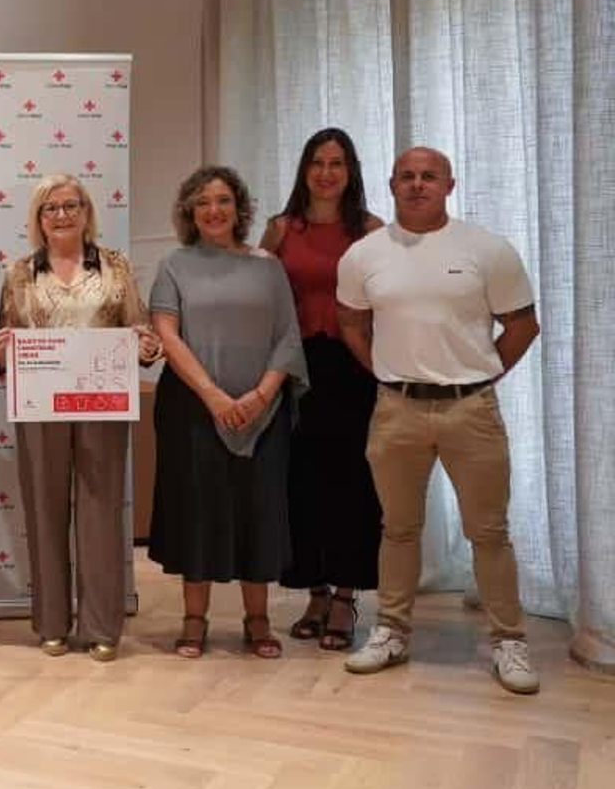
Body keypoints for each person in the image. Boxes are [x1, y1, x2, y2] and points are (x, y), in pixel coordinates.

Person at [337, 147, 541, 694]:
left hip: (469, 409)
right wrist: (389, 373)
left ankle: (508, 641)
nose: (417, 184)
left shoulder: (485, 249)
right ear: (392, 185)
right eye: (407, 176)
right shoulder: (364, 254)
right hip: (396, 410)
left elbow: (522, 325)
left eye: (429, 176)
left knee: (489, 531)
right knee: (398, 529)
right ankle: (391, 631)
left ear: (449, 184)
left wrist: (481, 377)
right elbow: (352, 325)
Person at [0, 175, 161, 661]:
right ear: (38, 219)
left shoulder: (116, 268)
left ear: (86, 212)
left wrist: (147, 345)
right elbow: (5, 340)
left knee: (100, 512)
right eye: (51, 208)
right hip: (40, 408)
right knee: (44, 511)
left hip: (101, 406)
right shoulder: (20, 273)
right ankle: (51, 623)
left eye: (71, 205)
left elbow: (139, 330)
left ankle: (102, 626)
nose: (62, 215)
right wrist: (1, 355)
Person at [148, 165, 307, 659]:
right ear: (189, 213)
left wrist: (260, 396)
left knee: (258, 512)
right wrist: (214, 397)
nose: (213, 210)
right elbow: (167, 336)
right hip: (192, 410)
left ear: (239, 208)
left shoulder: (268, 267)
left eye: (222, 200)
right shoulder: (174, 264)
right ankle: (193, 621)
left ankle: (258, 621)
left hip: (265, 411)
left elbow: (288, 337)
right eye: (202, 203)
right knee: (198, 512)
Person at [259, 129, 383, 651]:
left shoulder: (373, 231)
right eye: (317, 162)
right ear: (304, 169)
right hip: (294, 369)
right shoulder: (279, 230)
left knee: (353, 482)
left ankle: (346, 595)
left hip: (355, 368)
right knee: (300, 483)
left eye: (336, 163)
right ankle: (314, 590)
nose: (326, 172)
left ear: (350, 171)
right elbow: (262, 300)